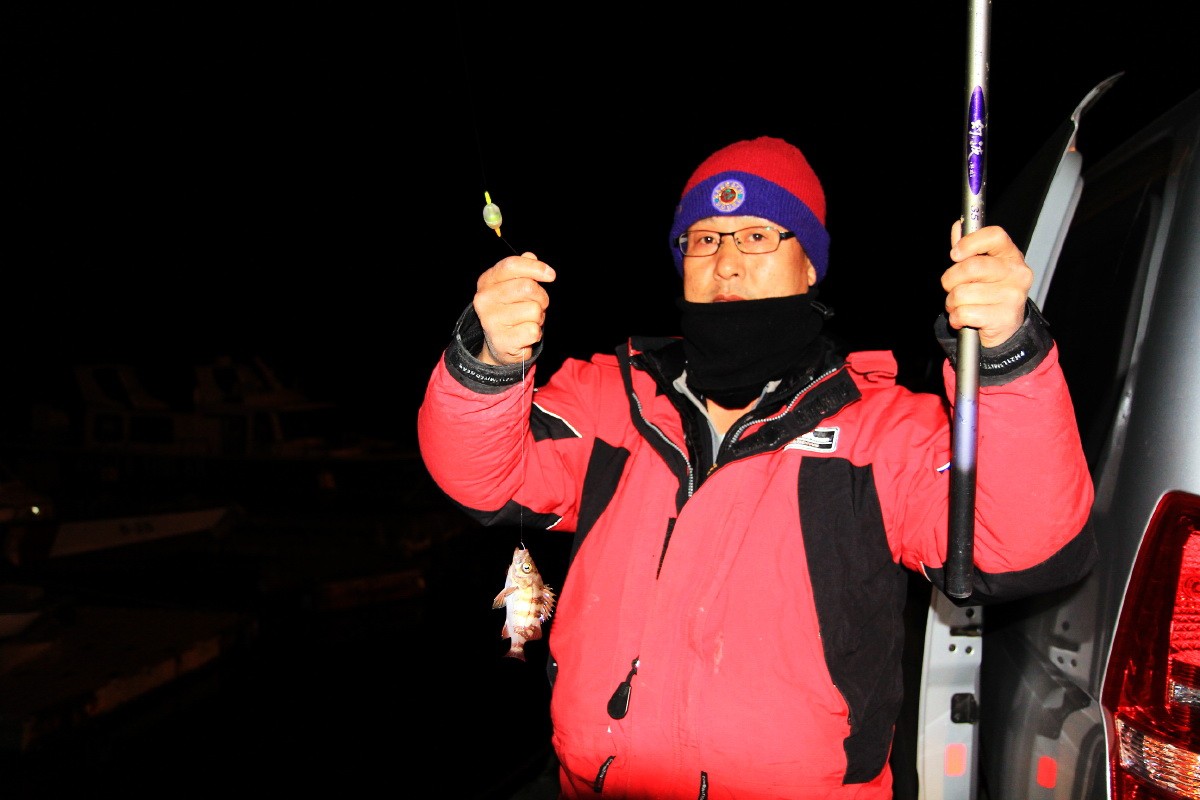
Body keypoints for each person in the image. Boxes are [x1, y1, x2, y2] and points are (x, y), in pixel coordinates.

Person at [417, 136, 1096, 799]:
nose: (727, 263)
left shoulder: (884, 430)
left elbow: (1023, 544)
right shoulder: (612, 399)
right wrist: (489, 360)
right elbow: (483, 476)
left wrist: (1007, 356)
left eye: (758, 236)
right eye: (704, 239)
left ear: (810, 265)